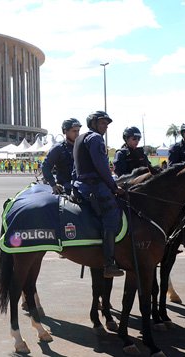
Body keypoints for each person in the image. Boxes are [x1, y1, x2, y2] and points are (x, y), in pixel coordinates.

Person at [72, 110, 125, 278]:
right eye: (102, 123)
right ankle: (109, 263)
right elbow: (101, 166)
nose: (105, 127)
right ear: (93, 123)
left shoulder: (80, 138)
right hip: (93, 186)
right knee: (112, 215)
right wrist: (114, 187)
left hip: (80, 184)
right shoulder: (95, 139)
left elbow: (76, 166)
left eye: (107, 124)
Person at [41, 118, 81, 194]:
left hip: (81, 188)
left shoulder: (82, 147)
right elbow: (45, 166)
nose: (77, 134)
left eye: (78, 131)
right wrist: (53, 184)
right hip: (65, 189)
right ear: (65, 131)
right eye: (74, 131)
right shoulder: (58, 148)